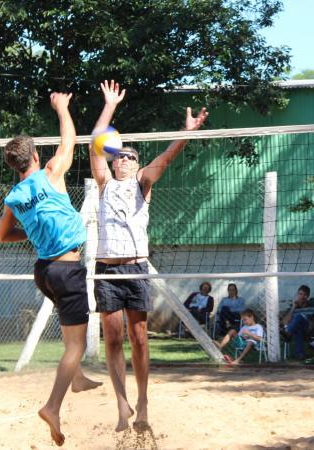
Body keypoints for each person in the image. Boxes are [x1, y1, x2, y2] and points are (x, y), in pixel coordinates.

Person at [90, 80, 208, 430]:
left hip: (135, 269)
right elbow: (96, 145)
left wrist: (186, 133)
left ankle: (142, 402)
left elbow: (167, 157)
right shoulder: (105, 184)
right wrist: (109, 105)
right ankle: (122, 404)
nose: (121, 159)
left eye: (128, 156)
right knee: (112, 338)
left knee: (139, 338)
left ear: (136, 164)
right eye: (118, 156)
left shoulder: (142, 183)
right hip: (106, 270)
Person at [0, 92, 102, 446]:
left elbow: (2, 235)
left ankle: (78, 378)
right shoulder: (50, 173)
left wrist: (34, 229)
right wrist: (62, 108)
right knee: (77, 345)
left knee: (71, 338)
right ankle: (53, 407)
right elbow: (70, 140)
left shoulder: (14, 196)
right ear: (37, 157)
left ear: (15, 165)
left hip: (43, 271)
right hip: (66, 270)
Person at [282, 285, 314, 360]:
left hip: (309, 329)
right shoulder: (293, 306)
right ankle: (301, 354)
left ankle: (288, 334)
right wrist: (293, 308)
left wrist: (313, 322)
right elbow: (285, 322)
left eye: (304, 294)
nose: (301, 296)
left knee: (298, 316)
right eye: (300, 294)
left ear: (307, 296)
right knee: (298, 328)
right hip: (298, 330)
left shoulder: (313, 305)